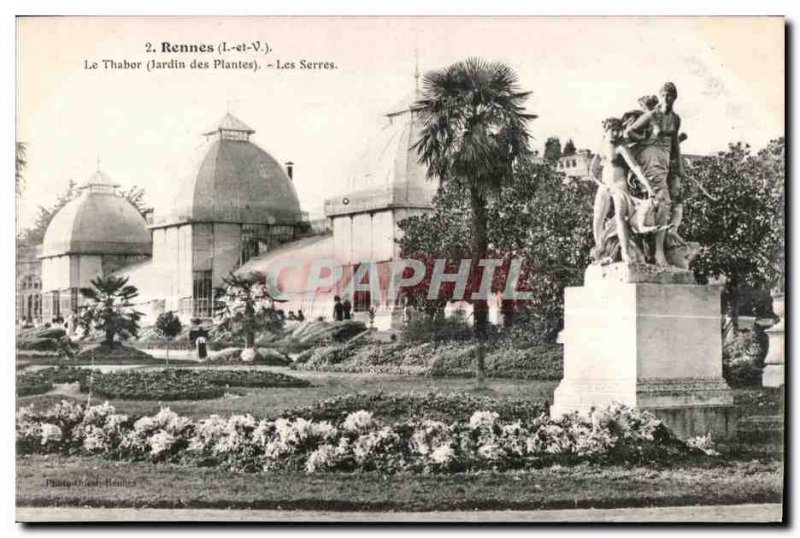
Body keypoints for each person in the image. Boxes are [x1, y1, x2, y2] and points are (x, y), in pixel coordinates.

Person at [624, 82, 685, 266]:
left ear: (675, 97)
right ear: (660, 96)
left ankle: (656, 248)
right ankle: (659, 252)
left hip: (664, 160)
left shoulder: (675, 118)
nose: (667, 99)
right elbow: (629, 131)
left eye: (670, 95)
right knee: (664, 202)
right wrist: (644, 139)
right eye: (664, 95)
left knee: (666, 202)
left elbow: (675, 142)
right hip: (650, 158)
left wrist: (679, 165)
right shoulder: (652, 115)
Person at [589, 117, 659, 264]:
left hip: (619, 185)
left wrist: (649, 187)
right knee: (597, 218)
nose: (615, 133)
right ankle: (600, 251)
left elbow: (635, 167)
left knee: (620, 218)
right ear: (606, 130)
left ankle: (625, 252)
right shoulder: (601, 146)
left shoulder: (621, 146)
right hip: (605, 185)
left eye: (617, 130)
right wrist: (599, 182)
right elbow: (592, 169)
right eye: (612, 130)